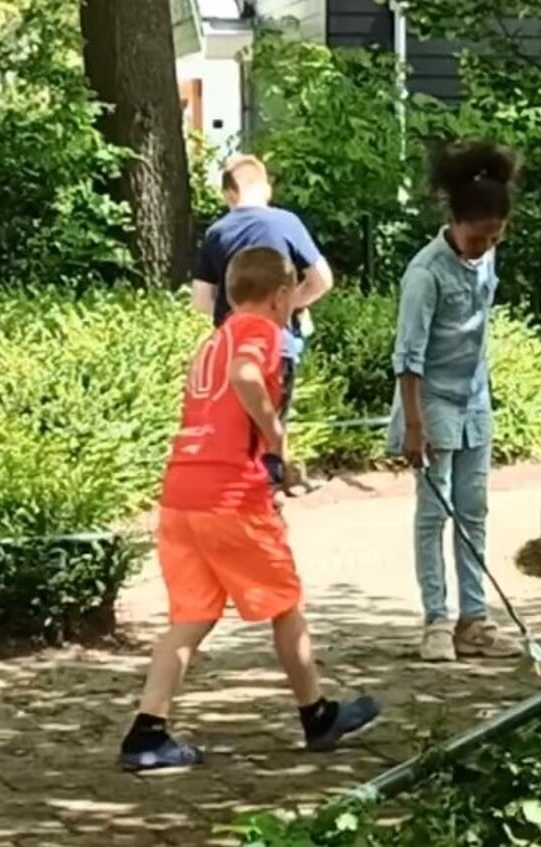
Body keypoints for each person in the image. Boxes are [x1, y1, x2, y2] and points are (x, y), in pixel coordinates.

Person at [119, 246, 379, 772]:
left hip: (181, 496)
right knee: (285, 601)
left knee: (189, 617)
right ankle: (317, 715)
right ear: (282, 296)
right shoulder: (259, 332)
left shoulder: (211, 341)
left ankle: (146, 734)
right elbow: (245, 378)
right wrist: (276, 439)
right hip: (230, 497)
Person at [386, 139, 523, 662]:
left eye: (494, 236)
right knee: (433, 511)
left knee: (475, 509)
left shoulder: (487, 257)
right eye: (476, 237)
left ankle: (475, 619)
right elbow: (408, 356)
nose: (484, 246)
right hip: (432, 400)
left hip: (475, 398)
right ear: (454, 222)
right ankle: (436, 621)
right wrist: (414, 425)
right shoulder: (425, 273)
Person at [190, 154, 335, 490]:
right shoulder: (286, 224)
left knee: (238, 433)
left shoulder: (216, 233)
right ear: (266, 188)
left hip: (230, 349)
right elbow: (322, 280)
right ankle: (267, 496)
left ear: (229, 194)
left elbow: (200, 301)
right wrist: (287, 307)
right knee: (270, 430)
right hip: (276, 347)